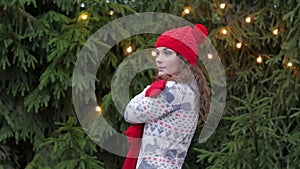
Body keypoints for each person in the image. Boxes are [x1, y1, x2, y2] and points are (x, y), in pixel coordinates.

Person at [123, 24, 210, 169]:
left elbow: (130, 113)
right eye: (158, 53)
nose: (158, 59)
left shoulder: (174, 91)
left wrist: (148, 90)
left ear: (183, 59)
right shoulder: (190, 89)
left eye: (167, 53)